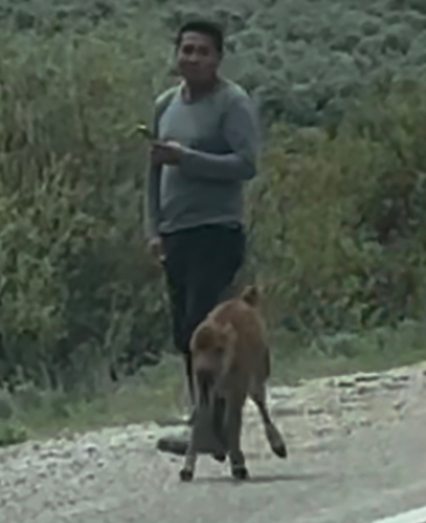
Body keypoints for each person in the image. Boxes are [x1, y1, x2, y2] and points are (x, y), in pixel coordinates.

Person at [142, 20, 261, 456]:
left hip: (217, 231)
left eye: (202, 51)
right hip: (177, 235)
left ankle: (212, 427)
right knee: (185, 335)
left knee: (206, 328)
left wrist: (186, 158)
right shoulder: (164, 105)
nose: (192, 58)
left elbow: (246, 164)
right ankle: (206, 423)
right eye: (186, 49)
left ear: (218, 58)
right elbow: (152, 173)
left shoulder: (233, 103)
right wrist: (153, 229)